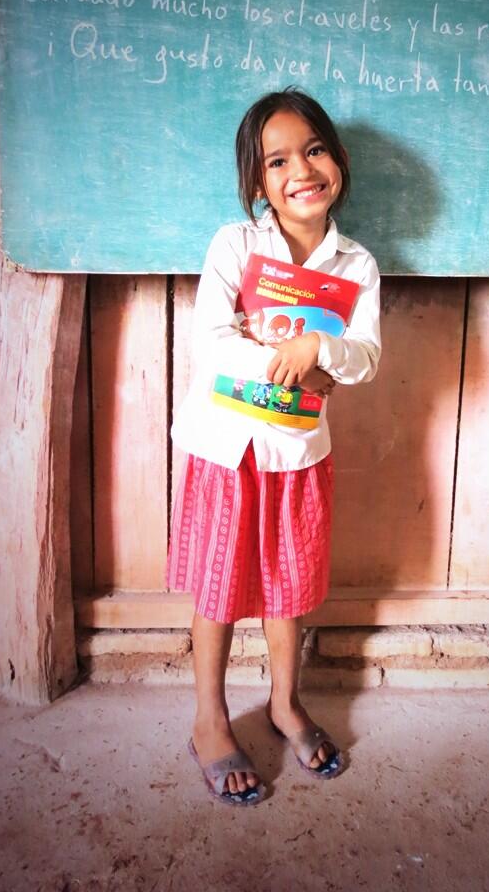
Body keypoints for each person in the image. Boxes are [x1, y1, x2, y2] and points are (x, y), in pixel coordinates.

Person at [166, 89, 381, 805]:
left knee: (286, 588)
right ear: (258, 183)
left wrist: (321, 345)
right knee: (220, 587)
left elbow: (362, 358)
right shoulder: (235, 245)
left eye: (315, 150)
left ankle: (285, 704)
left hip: (296, 454)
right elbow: (212, 342)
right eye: (279, 160)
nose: (302, 170)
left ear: (339, 160)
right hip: (226, 450)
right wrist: (291, 361)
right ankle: (209, 721)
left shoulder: (357, 267)